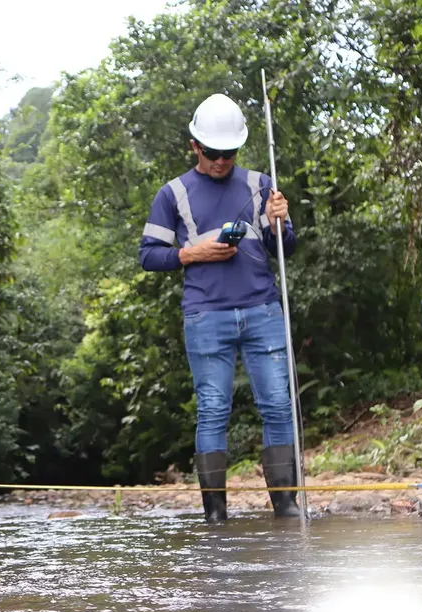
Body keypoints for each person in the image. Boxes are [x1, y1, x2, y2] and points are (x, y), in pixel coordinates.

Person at [138, 93, 300, 523]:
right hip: (206, 316)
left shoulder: (261, 184)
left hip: (262, 310)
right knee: (213, 408)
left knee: (278, 404)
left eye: (229, 153)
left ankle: (285, 503)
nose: (221, 162)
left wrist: (280, 222)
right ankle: (215, 514)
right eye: (212, 153)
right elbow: (149, 255)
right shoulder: (172, 194)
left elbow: (285, 249)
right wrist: (192, 254)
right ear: (194, 146)